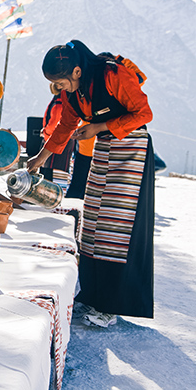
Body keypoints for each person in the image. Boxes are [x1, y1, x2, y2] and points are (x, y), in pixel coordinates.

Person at [27, 40, 154, 328]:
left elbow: (144, 113)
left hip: (130, 150)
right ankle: (93, 294)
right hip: (105, 150)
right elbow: (64, 127)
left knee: (115, 230)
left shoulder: (112, 75)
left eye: (61, 82)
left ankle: (112, 305)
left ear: (76, 71)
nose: (60, 89)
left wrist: (98, 127)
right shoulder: (74, 94)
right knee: (93, 223)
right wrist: (40, 158)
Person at [39, 83, 74, 191]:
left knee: (52, 171)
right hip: (61, 139)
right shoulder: (62, 100)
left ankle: (50, 193)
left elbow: (55, 123)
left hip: (56, 140)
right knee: (56, 171)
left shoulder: (59, 102)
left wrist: (45, 132)